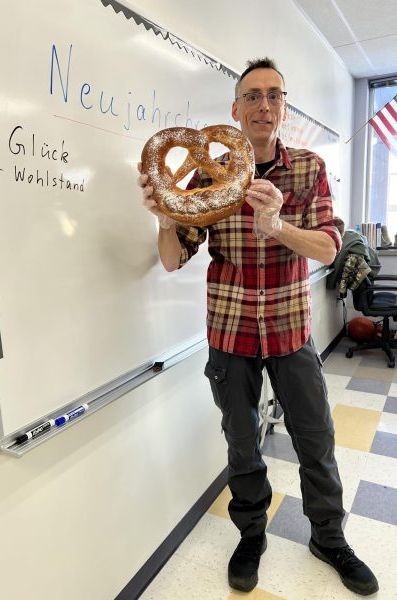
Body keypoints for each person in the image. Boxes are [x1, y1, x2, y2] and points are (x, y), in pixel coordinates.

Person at [138, 57, 379, 596]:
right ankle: (251, 534)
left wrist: (276, 226)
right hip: (230, 334)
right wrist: (164, 220)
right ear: (235, 110)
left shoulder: (309, 169)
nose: (263, 105)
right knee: (242, 442)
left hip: (292, 331)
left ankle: (329, 538)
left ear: (284, 108)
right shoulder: (209, 175)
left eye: (273, 95)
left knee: (315, 438)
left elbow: (329, 245)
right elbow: (175, 260)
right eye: (252, 95)